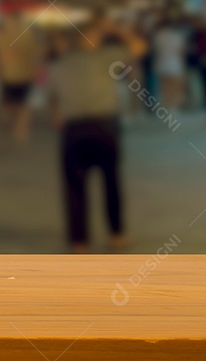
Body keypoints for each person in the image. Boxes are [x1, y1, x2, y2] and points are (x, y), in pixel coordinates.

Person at [48, 16, 147, 253]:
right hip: (104, 126)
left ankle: (79, 241)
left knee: (74, 186)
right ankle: (117, 235)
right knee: (111, 183)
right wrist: (117, 29)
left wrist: (59, 118)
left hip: (73, 129)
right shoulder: (106, 58)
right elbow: (141, 47)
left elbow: (52, 99)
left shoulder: (59, 64)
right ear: (92, 40)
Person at [0, 10, 41, 145]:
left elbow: (34, 55)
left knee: (19, 105)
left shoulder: (6, 36)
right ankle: (17, 129)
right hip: (14, 76)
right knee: (16, 105)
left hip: (18, 76)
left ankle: (19, 130)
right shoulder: (23, 35)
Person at [153, 14, 188, 112]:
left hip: (161, 63)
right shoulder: (177, 35)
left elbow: (155, 49)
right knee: (175, 87)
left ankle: (167, 104)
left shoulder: (158, 35)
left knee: (165, 87)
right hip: (175, 64)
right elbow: (181, 51)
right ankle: (174, 106)